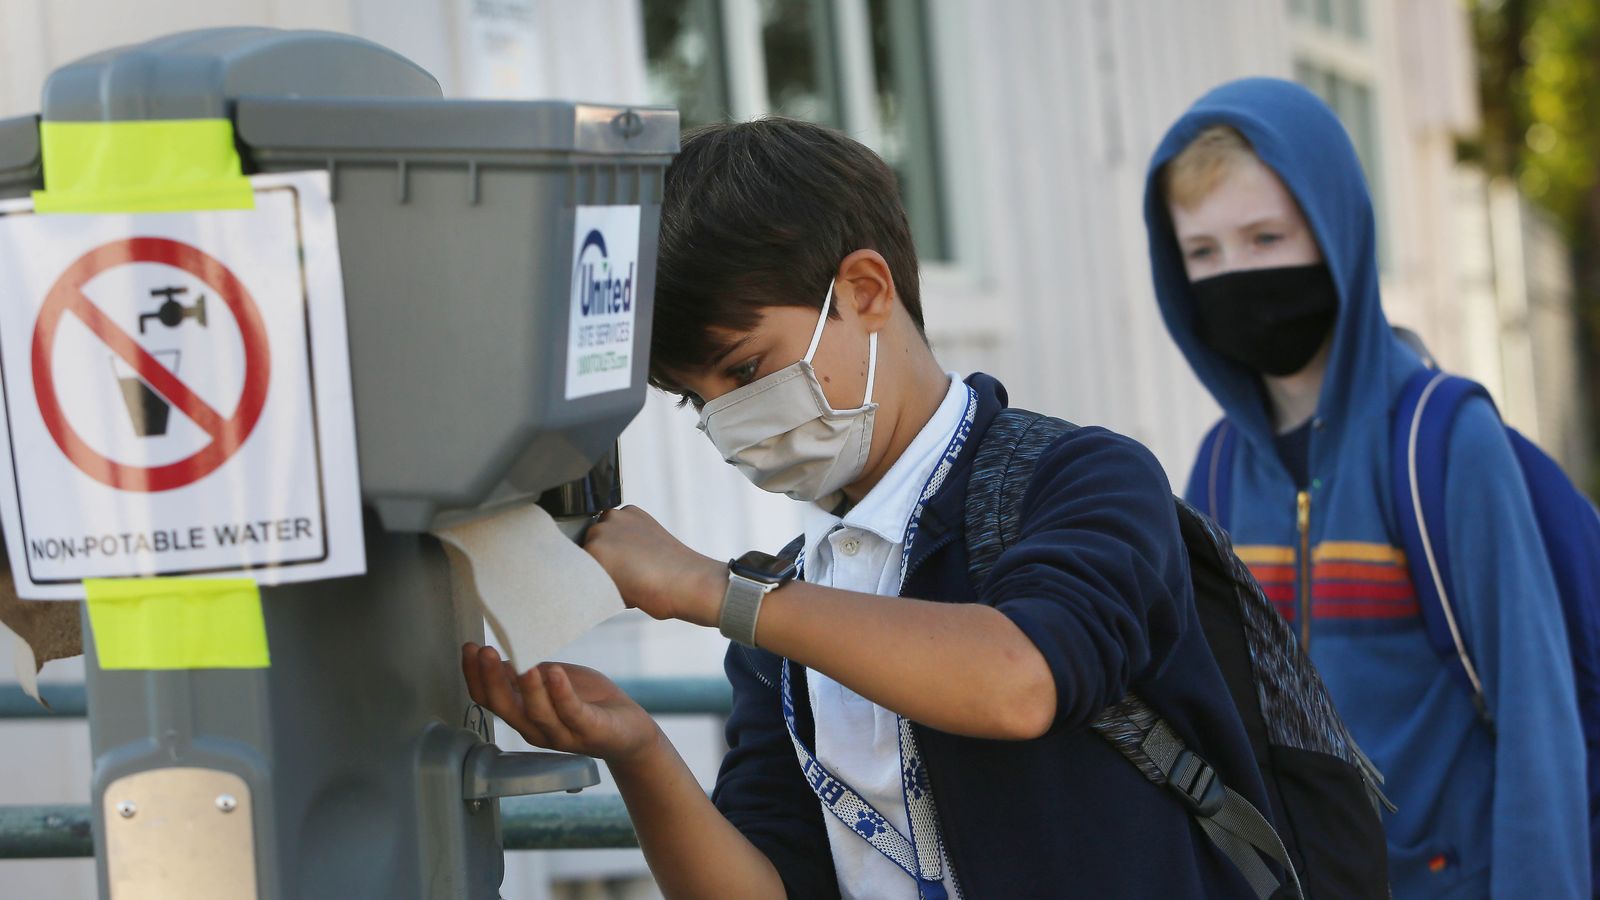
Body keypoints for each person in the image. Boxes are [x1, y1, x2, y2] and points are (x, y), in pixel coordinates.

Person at [464, 118, 1273, 898]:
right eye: (691, 401)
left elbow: (1020, 681)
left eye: (743, 370)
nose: (724, 422)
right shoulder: (786, 612)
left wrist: (716, 591)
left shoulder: (1079, 477)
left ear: (865, 290)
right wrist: (638, 750)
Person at [1144, 77, 1589, 898]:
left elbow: (1539, 718)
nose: (1234, 273)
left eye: (1266, 237)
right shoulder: (1214, 472)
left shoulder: (1444, 440)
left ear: (1336, 233)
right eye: (1202, 253)